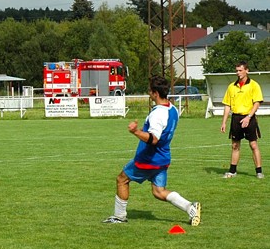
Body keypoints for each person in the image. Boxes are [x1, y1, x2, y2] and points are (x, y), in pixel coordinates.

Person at [103, 75, 201, 226]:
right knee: (159, 191)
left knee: (122, 179)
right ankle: (190, 207)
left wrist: (136, 132)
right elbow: (161, 131)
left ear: (155, 93)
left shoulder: (158, 113)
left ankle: (119, 216)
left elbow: (154, 138)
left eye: (150, 90)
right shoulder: (173, 109)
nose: (149, 92)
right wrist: (143, 130)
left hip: (149, 159)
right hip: (163, 157)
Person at [220, 61, 263, 179]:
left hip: (249, 117)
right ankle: (232, 171)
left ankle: (259, 172)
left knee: (253, 145)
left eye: (240, 70)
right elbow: (227, 105)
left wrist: (248, 117)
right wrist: (224, 122)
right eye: (236, 70)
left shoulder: (254, 85)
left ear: (246, 70)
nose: (238, 73)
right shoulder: (231, 86)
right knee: (235, 145)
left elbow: (257, 103)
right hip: (236, 118)